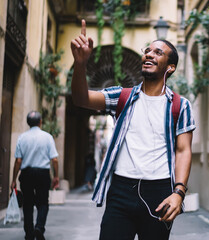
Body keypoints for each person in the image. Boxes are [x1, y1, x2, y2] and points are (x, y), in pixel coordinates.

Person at [70, 19, 195, 240]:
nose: (149, 54)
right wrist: (80, 64)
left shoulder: (180, 105)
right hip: (121, 191)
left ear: (170, 66)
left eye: (158, 52)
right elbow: (81, 98)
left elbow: (183, 150)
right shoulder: (123, 97)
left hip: (159, 192)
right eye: (147, 51)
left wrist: (179, 193)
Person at [11, 111, 59, 240]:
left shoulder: (22, 137)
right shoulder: (47, 137)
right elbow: (54, 159)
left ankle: (29, 232)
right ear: (40, 122)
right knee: (43, 203)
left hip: (26, 173)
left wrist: (14, 179)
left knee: (27, 203)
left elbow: (18, 161)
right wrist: (56, 176)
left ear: (28, 123)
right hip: (43, 173)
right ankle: (39, 227)